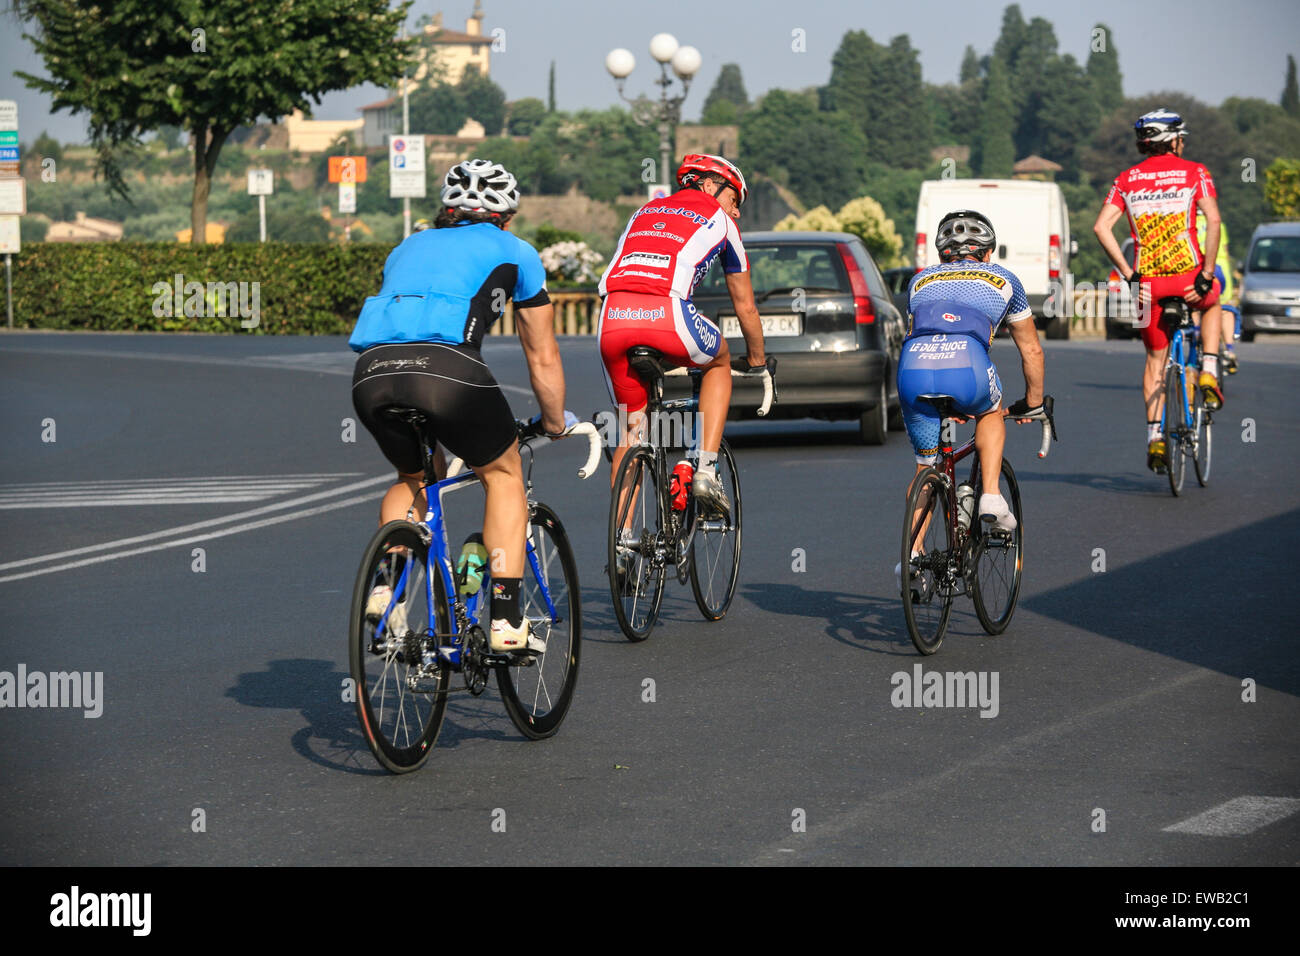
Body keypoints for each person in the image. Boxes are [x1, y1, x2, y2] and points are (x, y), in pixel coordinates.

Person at [348, 159, 571, 653]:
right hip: (449, 374)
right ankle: (507, 621)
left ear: (447, 209)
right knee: (503, 473)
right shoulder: (517, 251)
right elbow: (542, 355)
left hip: (373, 374)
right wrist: (554, 423)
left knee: (415, 479)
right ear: (507, 217)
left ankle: (387, 590)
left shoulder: (408, 244)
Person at [596, 154, 767, 521]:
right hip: (667, 315)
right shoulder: (721, 222)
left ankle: (623, 543)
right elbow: (746, 307)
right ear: (709, 186)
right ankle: (704, 469)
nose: (735, 212)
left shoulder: (644, 211)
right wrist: (757, 361)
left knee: (631, 432)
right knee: (718, 361)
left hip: (612, 317)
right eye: (734, 199)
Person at [895, 210, 1046, 591]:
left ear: (943, 254)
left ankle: (910, 556)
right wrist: (1033, 400)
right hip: (967, 365)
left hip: (914, 369)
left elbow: (925, 334)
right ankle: (991, 498)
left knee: (925, 468)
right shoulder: (1004, 279)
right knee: (990, 411)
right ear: (988, 252)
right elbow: (1032, 351)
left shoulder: (919, 279)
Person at [1093, 108, 1223, 473]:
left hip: (1148, 284)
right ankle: (1210, 367)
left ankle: (1155, 437)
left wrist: (1129, 273)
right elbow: (1213, 220)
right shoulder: (1195, 171)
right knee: (1214, 305)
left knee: (1154, 360)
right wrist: (1207, 273)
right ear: (1175, 141)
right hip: (1188, 277)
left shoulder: (1126, 178)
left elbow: (1101, 227)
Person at [1198, 210, 1239, 373]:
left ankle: (1196, 339)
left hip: (1200, 267)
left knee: (1196, 307)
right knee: (1224, 308)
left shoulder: (1187, 222)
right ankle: (1229, 349)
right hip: (1221, 267)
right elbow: (1225, 251)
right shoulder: (1219, 223)